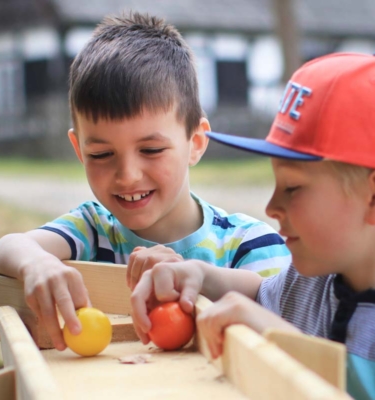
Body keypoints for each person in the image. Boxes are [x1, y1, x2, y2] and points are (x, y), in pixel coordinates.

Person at [0, 12, 290, 352]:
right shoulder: (91, 229)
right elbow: (4, 249)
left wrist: (199, 276)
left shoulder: (249, 244)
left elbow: (283, 318)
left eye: (151, 149)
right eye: (101, 154)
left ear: (196, 143)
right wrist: (37, 263)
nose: (127, 175)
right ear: (79, 150)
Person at [131, 52, 375, 399]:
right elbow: (263, 295)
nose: (272, 207)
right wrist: (199, 274)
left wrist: (284, 344)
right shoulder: (313, 279)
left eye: (293, 188)